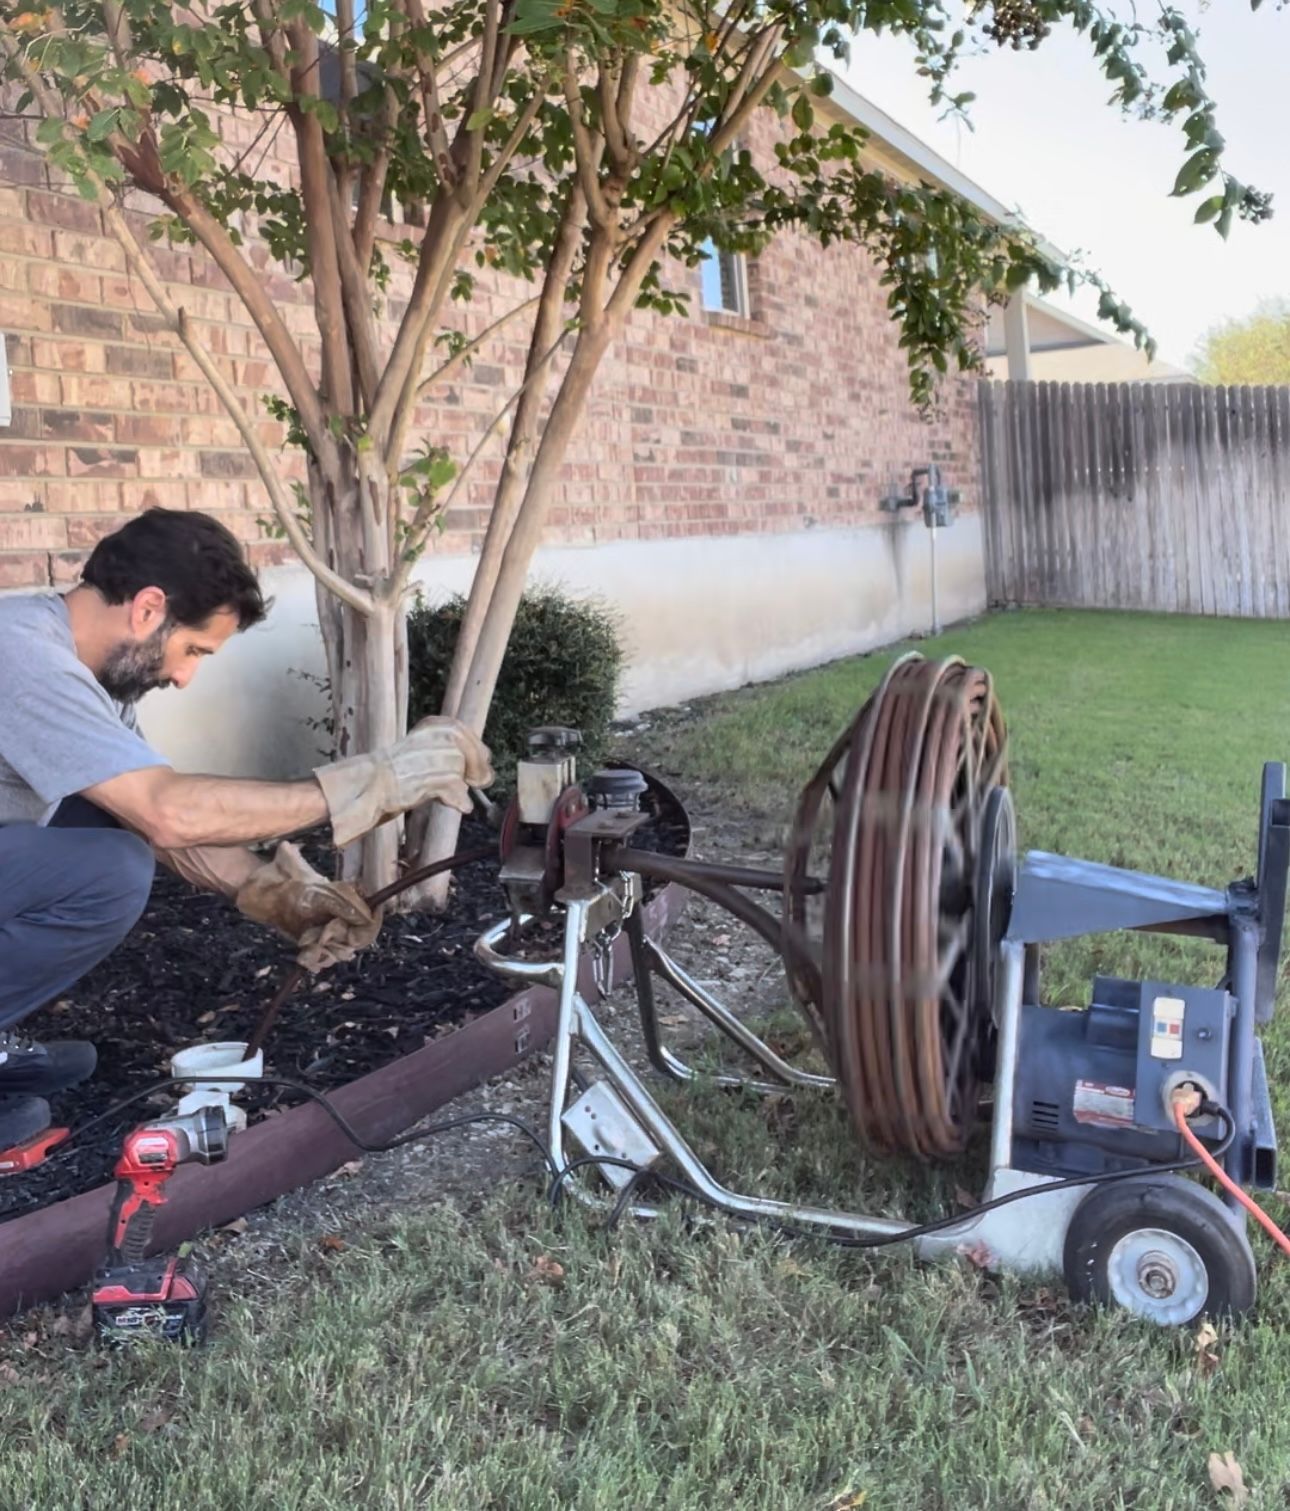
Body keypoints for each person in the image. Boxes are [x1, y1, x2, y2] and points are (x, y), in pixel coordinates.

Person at [0, 508, 492, 1148]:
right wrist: (370, 783)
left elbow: (151, 817)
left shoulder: (82, 671)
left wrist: (280, 895)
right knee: (109, 872)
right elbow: (168, 810)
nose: (183, 677)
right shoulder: (20, 655)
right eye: (193, 650)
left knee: (103, 816)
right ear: (149, 609)